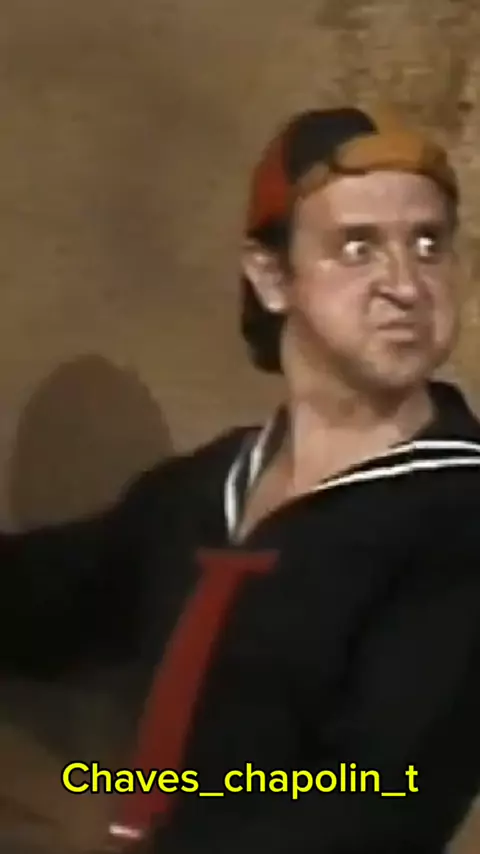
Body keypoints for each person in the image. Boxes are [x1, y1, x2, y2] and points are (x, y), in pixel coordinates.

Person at [2, 105, 480, 854]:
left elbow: (376, 798)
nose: (406, 284)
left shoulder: (460, 514)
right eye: (357, 247)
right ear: (271, 276)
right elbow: (37, 602)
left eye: (428, 244)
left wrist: (99, 825)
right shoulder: (204, 491)